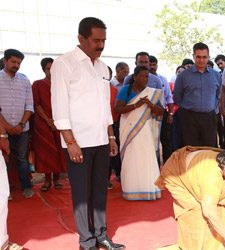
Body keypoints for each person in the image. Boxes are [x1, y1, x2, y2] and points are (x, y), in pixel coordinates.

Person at [51, 17, 124, 250]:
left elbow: (105, 106)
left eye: (104, 40)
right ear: (81, 38)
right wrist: (70, 142)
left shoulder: (103, 67)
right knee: (82, 194)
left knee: (100, 189)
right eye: (96, 40)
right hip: (78, 142)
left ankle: (102, 235)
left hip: (101, 140)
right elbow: (59, 107)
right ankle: (86, 240)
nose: (101, 45)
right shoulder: (64, 63)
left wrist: (111, 136)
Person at [155, 146, 225, 250]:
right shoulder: (211, 177)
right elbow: (210, 214)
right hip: (178, 176)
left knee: (223, 210)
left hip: (201, 175)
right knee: (197, 214)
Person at [115, 66, 164, 200]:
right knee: (131, 158)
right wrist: (136, 105)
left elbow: (161, 112)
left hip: (145, 130)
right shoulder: (126, 89)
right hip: (129, 129)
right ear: (135, 77)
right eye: (142, 76)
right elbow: (118, 108)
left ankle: (148, 189)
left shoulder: (151, 92)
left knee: (146, 157)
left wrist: (151, 105)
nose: (145, 79)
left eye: (147, 76)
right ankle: (131, 190)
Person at [0, 49, 34, 199]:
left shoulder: (25, 80)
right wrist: (6, 126)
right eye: (13, 62)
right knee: (3, 160)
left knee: (21, 159)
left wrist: (21, 124)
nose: (16, 65)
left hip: (22, 129)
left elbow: (30, 106)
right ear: (5, 60)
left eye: (19, 63)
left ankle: (26, 187)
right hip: (1, 129)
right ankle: (6, 192)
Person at [173, 42, 221, 147]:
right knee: (191, 149)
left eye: (204, 57)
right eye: (198, 57)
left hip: (209, 118)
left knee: (209, 150)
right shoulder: (183, 76)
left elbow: (218, 95)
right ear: (193, 56)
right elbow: (177, 97)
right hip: (189, 118)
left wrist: (212, 108)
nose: (201, 60)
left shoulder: (215, 75)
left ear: (209, 57)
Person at [32, 57, 67, 192]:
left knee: (59, 151)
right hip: (43, 123)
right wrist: (48, 120)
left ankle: (57, 179)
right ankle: (47, 180)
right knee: (46, 152)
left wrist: (58, 120)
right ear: (43, 69)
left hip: (60, 122)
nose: (51, 71)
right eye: (48, 68)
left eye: (54, 68)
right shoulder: (37, 84)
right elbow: (37, 104)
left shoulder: (62, 84)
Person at [149, 55, 174, 163]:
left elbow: (169, 97)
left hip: (162, 113)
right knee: (150, 140)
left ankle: (167, 164)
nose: (152, 67)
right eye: (150, 64)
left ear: (157, 66)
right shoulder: (143, 79)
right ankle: (153, 165)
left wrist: (171, 113)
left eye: (154, 65)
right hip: (148, 114)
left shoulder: (163, 79)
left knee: (166, 139)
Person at [108, 66, 121, 188]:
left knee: (113, 152)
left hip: (114, 124)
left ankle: (114, 175)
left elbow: (116, 108)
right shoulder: (93, 90)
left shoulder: (114, 90)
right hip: (98, 126)